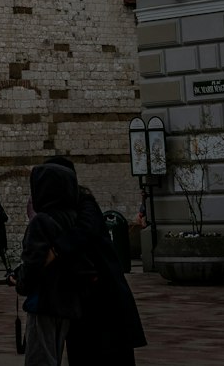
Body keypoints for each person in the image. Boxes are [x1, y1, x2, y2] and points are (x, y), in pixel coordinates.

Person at [44, 157, 147, 366]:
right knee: (83, 352)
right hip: (80, 301)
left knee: (110, 353)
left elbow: (85, 230)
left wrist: (57, 249)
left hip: (104, 295)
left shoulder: (85, 203)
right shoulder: (57, 210)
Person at [15, 162, 83, 366]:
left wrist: (20, 282)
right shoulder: (74, 218)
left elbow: (32, 263)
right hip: (68, 301)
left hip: (43, 301)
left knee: (41, 358)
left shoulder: (42, 221)